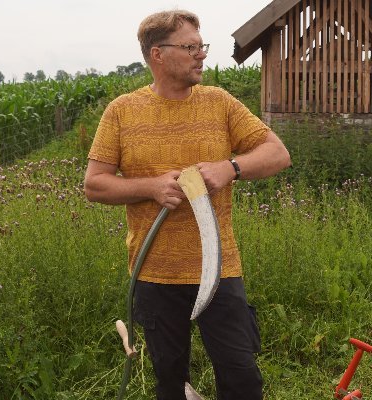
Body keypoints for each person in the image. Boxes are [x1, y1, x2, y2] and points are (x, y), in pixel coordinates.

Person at [84, 9, 291, 400]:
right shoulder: (122, 112)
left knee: (242, 375)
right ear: (157, 54)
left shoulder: (219, 103)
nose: (201, 55)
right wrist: (152, 187)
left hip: (219, 271)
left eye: (202, 46)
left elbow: (278, 154)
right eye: (190, 46)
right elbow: (94, 185)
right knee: (169, 380)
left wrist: (230, 168)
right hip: (154, 274)